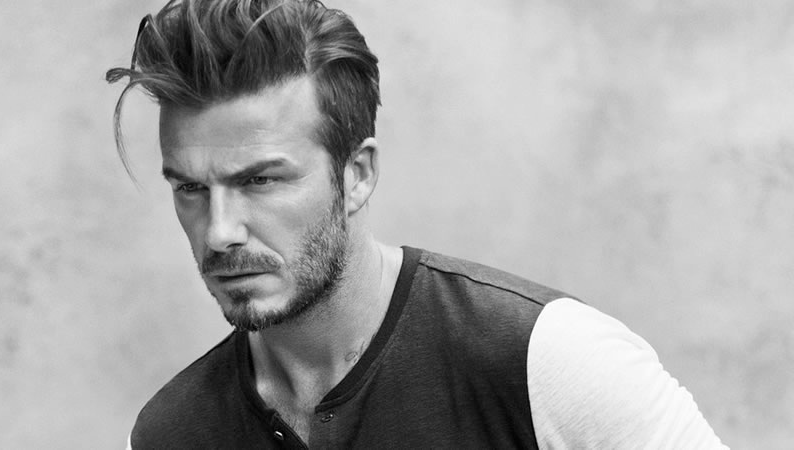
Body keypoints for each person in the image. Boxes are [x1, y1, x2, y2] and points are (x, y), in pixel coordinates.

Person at [108, 0, 727, 448]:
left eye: (260, 181)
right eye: (190, 189)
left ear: (357, 175)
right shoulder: (174, 432)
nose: (219, 232)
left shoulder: (550, 361)